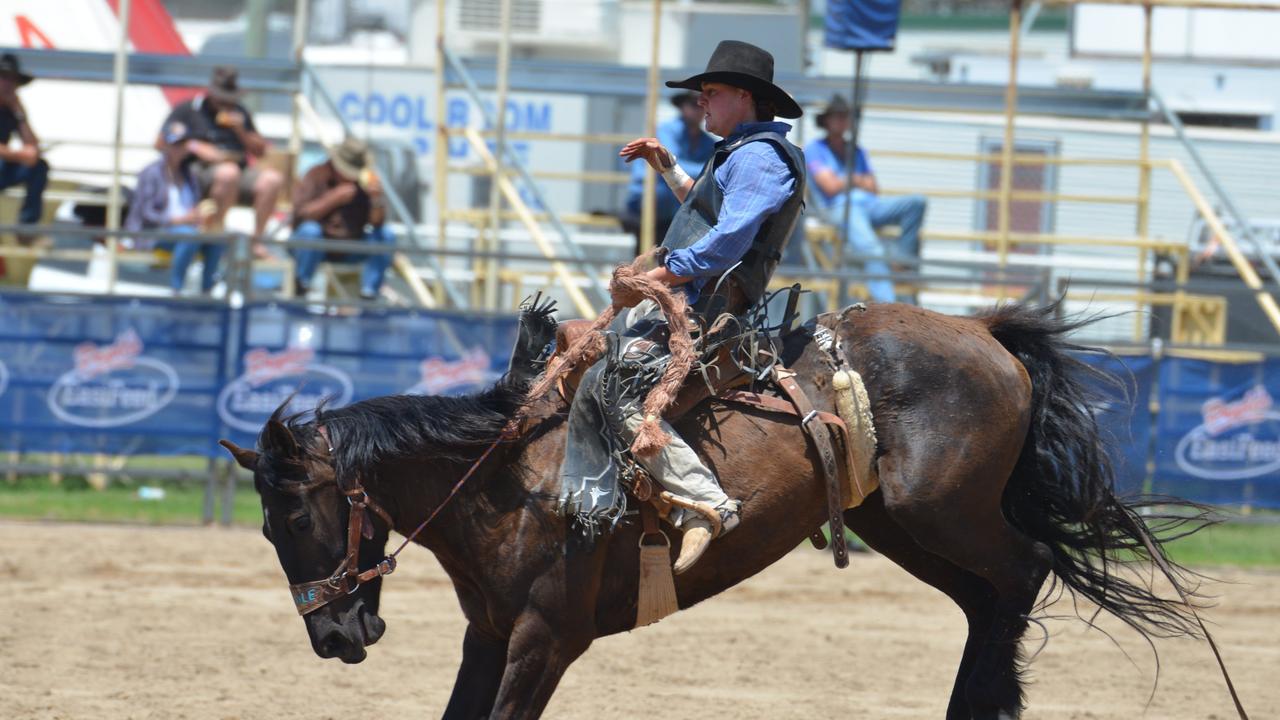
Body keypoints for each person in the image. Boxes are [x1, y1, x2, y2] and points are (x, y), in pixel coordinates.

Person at [561, 40, 806, 574]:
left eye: (710, 94)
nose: (701, 105)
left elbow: (729, 239)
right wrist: (669, 168)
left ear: (744, 97)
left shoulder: (762, 157)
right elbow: (710, 207)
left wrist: (664, 273)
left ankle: (706, 503)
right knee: (570, 347)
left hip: (703, 310)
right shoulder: (745, 152)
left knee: (612, 385)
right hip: (687, 300)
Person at [805, 94, 926, 303]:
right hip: (840, 208)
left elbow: (873, 188)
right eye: (838, 116)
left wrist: (845, 180)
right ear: (826, 120)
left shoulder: (856, 151)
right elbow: (830, 188)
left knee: (916, 203)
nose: (842, 121)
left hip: (867, 206)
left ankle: (902, 261)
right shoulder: (815, 149)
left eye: (845, 116)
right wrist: (857, 180)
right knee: (872, 249)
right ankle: (888, 306)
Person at [158, 66, 283, 258]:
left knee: (272, 179)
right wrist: (195, 146)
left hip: (236, 170)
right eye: (222, 98)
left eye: (229, 98)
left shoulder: (239, 112)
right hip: (198, 171)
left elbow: (260, 151)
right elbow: (160, 142)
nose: (226, 103)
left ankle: (257, 241)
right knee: (228, 173)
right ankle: (216, 236)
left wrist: (241, 130)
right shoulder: (188, 110)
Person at [290, 136, 394, 300]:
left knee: (386, 235)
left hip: (350, 245)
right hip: (318, 246)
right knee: (310, 231)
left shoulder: (365, 184)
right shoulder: (316, 175)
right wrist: (333, 199)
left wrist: (376, 200)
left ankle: (369, 293)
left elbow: (377, 223)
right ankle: (301, 286)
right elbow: (301, 215)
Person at [126, 121, 222, 294]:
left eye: (183, 144)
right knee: (189, 236)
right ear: (166, 145)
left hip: (183, 232)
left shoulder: (189, 174)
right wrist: (179, 220)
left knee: (217, 241)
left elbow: (192, 207)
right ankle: (176, 289)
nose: (179, 148)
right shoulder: (151, 172)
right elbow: (146, 213)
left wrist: (199, 217)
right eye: (175, 144)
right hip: (153, 232)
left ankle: (207, 289)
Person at [621, 91, 715, 254]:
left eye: (702, 104)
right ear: (682, 107)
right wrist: (707, 170)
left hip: (675, 212)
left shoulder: (707, 141)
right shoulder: (666, 130)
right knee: (647, 259)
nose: (699, 108)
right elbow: (668, 161)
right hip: (647, 206)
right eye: (694, 104)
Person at [0, 53, 49, 244]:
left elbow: (33, 146)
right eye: (4, 77)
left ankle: (26, 226)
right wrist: (21, 155)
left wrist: (20, 114)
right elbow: (27, 152)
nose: (8, 84)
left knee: (38, 167)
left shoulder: (12, 109)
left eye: (12, 79)